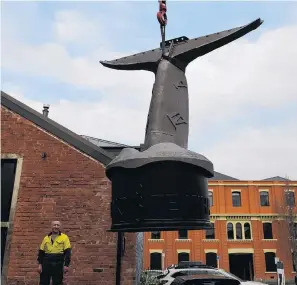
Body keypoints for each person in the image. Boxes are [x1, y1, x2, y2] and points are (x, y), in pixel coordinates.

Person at [37, 221, 72, 285]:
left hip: (58, 263)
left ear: (60, 227)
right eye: (54, 225)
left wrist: (66, 265)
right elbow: (41, 253)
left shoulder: (64, 237)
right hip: (46, 263)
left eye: (58, 225)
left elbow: (68, 252)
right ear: (51, 226)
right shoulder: (46, 238)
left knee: (57, 282)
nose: (56, 226)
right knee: (43, 282)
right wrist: (40, 265)